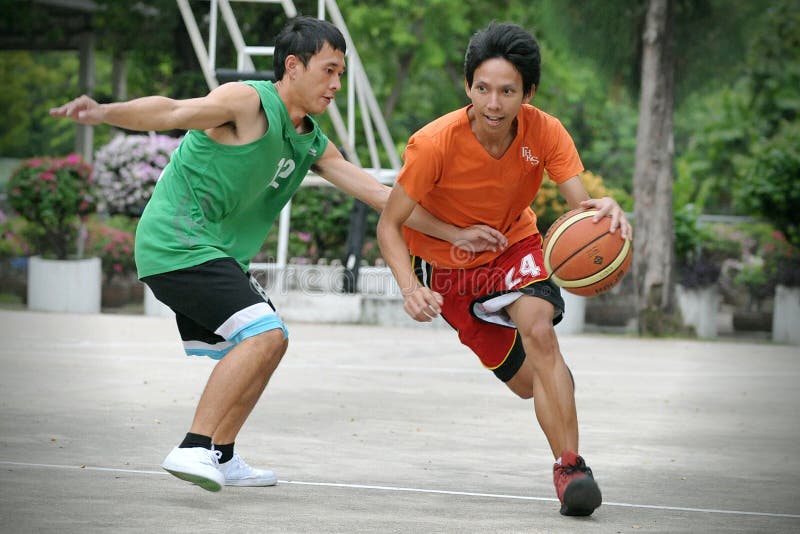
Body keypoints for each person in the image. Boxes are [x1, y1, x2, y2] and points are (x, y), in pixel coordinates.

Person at [50, 16, 506, 492]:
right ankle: (192, 445)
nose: (336, 85)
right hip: (177, 242)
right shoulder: (247, 103)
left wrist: (455, 232)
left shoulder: (311, 140)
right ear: (293, 66)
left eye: (341, 74)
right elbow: (171, 111)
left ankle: (221, 454)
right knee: (264, 332)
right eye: (328, 70)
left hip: (215, 255)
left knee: (274, 339)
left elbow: (379, 195)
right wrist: (102, 113)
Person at [376, 22, 632, 517]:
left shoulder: (546, 131)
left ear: (527, 92)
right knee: (530, 383)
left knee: (540, 333)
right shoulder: (433, 144)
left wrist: (606, 212)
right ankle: (555, 393)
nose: (493, 103)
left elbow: (582, 209)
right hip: (449, 269)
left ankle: (571, 467)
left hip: (514, 245)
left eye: (507, 91)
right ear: (468, 87)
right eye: (482, 89)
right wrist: (408, 287)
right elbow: (390, 224)